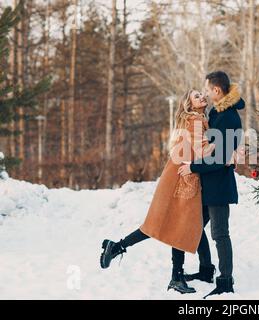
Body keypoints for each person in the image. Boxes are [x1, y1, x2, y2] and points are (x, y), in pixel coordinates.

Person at [100, 89, 216, 294]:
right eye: (196, 96)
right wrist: (225, 145)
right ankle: (176, 276)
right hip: (182, 179)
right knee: (176, 225)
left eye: (201, 95)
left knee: (175, 224)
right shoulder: (195, 121)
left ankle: (117, 247)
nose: (202, 97)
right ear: (189, 105)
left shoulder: (197, 121)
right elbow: (202, 151)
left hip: (179, 177)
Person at [178, 71, 245, 298]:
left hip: (219, 185)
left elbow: (220, 158)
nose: (206, 93)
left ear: (216, 90)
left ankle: (225, 281)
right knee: (195, 227)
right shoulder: (218, 112)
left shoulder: (229, 117)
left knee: (219, 233)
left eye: (207, 89)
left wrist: (193, 167)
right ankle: (206, 270)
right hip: (208, 184)